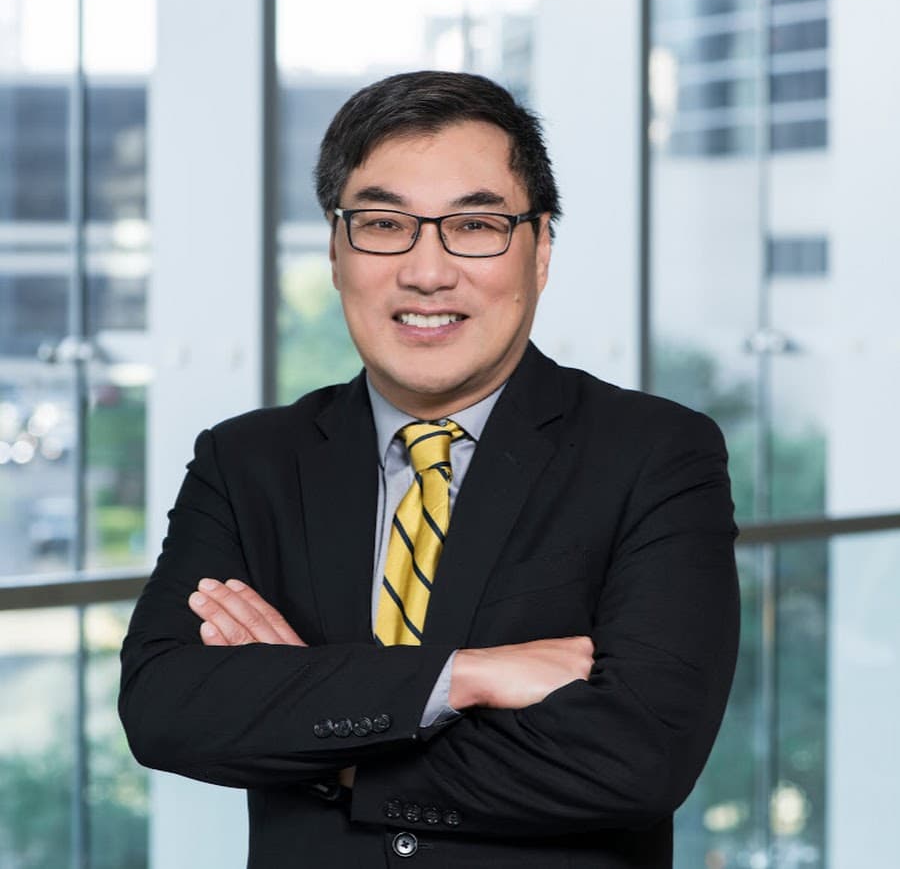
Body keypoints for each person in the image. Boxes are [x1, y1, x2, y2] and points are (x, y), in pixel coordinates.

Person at [119, 70, 739, 868]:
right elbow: (165, 707)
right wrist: (463, 677)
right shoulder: (246, 462)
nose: (427, 272)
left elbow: (637, 760)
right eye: (384, 224)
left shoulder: (656, 454)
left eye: (476, 226)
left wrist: (322, 735)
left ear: (541, 250)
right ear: (336, 251)